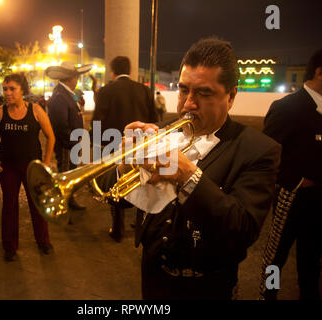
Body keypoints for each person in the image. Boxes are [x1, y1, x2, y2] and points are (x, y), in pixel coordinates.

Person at [119, 38, 281, 299]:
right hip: (153, 277)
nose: (187, 104)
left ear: (231, 97)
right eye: (183, 90)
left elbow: (243, 229)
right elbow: (117, 199)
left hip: (208, 287)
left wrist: (188, 175)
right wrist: (124, 165)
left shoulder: (259, 149)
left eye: (204, 93)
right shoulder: (158, 131)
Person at [263, 46, 322, 300]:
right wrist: (296, 182)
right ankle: (267, 297)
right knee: (276, 257)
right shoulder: (287, 108)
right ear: (321, 72)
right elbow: (268, 157)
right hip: (295, 197)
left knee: (311, 258)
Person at [0, 73, 56, 261]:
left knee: (37, 204)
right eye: (5, 89)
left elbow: (51, 137)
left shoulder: (36, 110)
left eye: (12, 89)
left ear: (22, 90)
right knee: (9, 205)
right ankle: (9, 246)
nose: (7, 93)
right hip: (8, 167)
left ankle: (43, 242)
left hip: (32, 167)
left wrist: (46, 163)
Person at [92, 56, 158, 242]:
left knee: (118, 183)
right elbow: (154, 118)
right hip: (141, 144)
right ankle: (140, 224)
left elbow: (97, 120)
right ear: (129, 70)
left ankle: (118, 228)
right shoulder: (144, 90)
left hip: (114, 145)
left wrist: (97, 146)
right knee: (142, 181)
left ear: (112, 71)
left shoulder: (106, 91)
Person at [46, 61, 92, 210]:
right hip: (66, 144)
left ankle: (69, 200)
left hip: (72, 142)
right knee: (65, 174)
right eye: (76, 77)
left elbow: (76, 107)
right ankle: (64, 205)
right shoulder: (60, 96)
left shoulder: (67, 93)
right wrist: (73, 143)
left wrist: (80, 101)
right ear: (70, 78)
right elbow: (60, 126)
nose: (77, 80)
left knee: (70, 173)